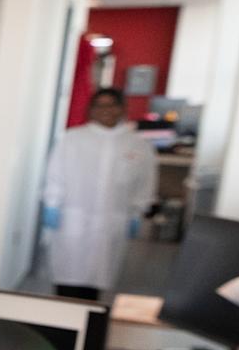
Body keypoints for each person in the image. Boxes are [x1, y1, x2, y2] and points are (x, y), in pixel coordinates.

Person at [42, 87, 155, 299]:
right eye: (100, 105)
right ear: (91, 110)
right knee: (67, 277)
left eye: (112, 105)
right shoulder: (72, 139)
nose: (106, 110)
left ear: (122, 108)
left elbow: (145, 182)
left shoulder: (138, 145)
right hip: (72, 218)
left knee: (98, 279)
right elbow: (55, 173)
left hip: (112, 220)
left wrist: (138, 210)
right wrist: (52, 204)